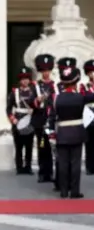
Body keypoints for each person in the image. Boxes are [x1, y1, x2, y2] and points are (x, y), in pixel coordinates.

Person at [46, 65, 94, 198]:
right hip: (77, 133)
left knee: (62, 163)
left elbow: (51, 117)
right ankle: (74, 191)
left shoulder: (56, 98)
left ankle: (63, 191)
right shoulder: (80, 97)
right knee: (75, 164)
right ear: (76, 81)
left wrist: (51, 134)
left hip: (61, 133)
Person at [7, 66, 38, 175]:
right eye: (22, 78)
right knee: (18, 146)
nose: (25, 80)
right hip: (18, 121)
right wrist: (12, 119)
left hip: (29, 121)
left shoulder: (34, 92)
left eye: (27, 78)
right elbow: (8, 108)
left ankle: (28, 167)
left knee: (29, 146)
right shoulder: (14, 92)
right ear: (20, 80)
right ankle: (19, 167)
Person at [32, 54, 57, 183]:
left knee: (51, 147)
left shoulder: (54, 85)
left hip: (51, 120)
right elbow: (31, 102)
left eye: (47, 70)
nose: (46, 73)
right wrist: (37, 100)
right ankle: (42, 172)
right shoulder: (36, 85)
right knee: (42, 147)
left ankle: (50, 172)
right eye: (43, 71)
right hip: (40, 121)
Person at [83, 59, 94, 175]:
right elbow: (84, 98)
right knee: (89, 143)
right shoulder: (84, 86)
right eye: (91, 72)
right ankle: (90, 167)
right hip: (89, 115)